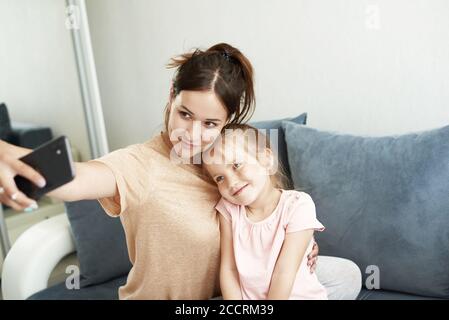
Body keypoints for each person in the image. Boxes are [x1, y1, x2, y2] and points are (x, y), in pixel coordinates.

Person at [0, 43, 361, 299]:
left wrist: (297, 242)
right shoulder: (139, 165)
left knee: (344, 274)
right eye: (185, 114)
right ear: (172, 94)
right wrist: (4, 151)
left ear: (226, 123)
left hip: (239, 294)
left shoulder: (223, 165)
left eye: (210, 123)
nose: (192, 135)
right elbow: (77, 177)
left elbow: (266, 211)